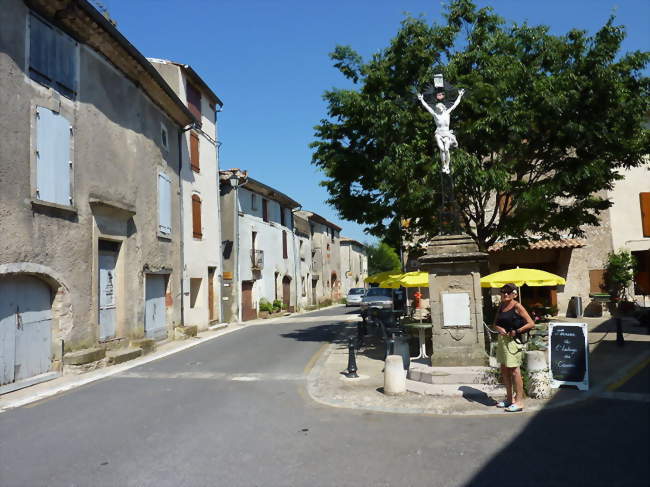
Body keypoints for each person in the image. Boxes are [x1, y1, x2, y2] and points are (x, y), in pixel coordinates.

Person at [492, 283, 535, 412]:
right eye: (503, 291)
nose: (505, 294)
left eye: (508, 292)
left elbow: (531, 323)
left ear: (514, 294)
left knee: (515, 371)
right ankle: (509, 399)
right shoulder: (501, 306)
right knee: (504, 370)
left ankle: (520, 402)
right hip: (502, 341)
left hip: (513, 342)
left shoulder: (517, 306)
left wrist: (517, 331)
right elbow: (495, 324)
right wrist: (498, 328)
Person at [416, 89, 465, 174]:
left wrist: (460, 95)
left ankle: (447, 166)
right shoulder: (435, 115)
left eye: (439, 108)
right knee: (442, 149)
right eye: (437, 108)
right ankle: (443, 165)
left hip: (446, 133)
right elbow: (427, 107)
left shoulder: (447, 113)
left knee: (446, 149)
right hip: (438, 133)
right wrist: (421, 99)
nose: (438, 109)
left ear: (443, 107)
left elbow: (455, 104)